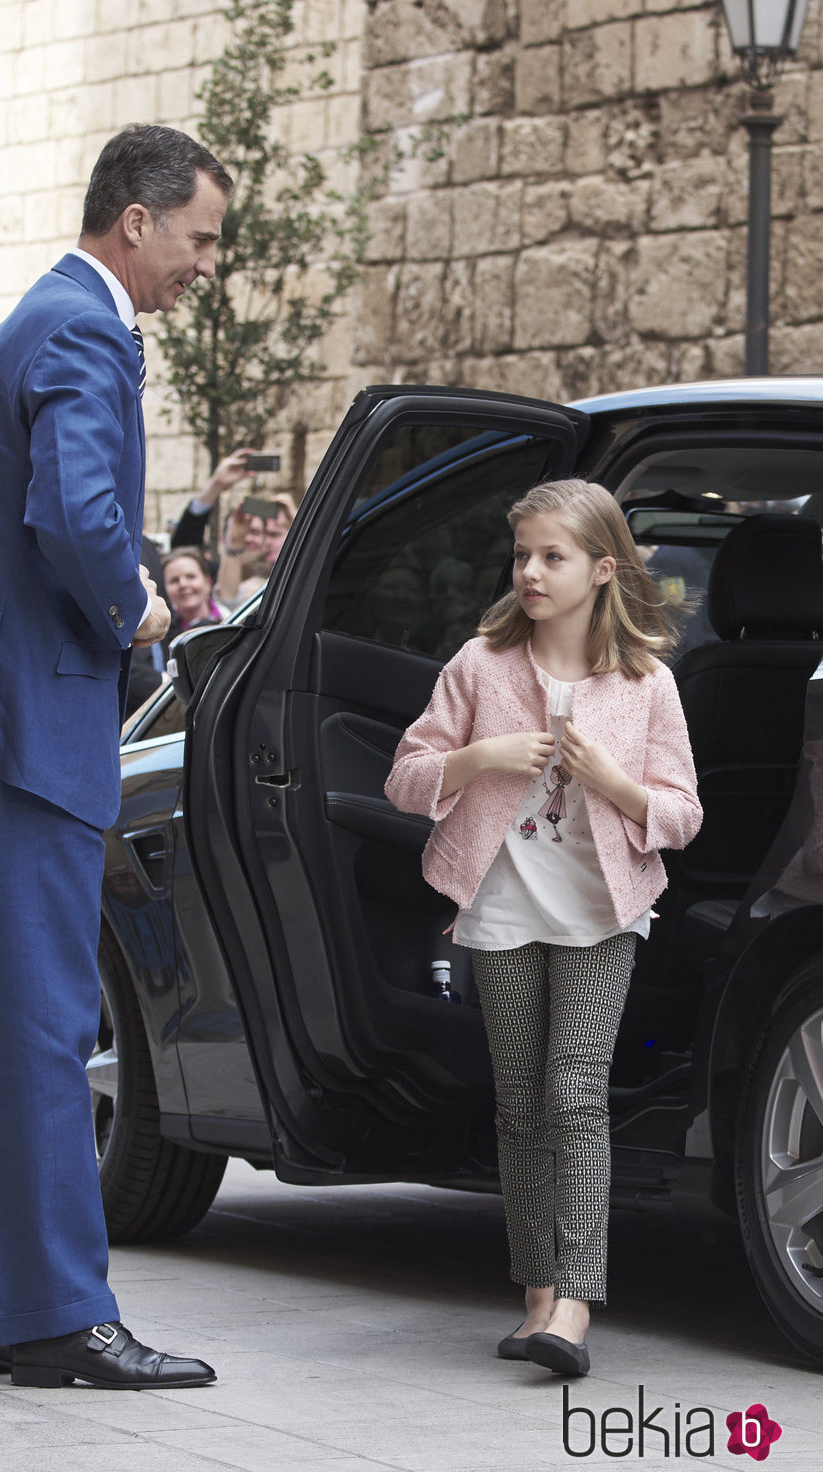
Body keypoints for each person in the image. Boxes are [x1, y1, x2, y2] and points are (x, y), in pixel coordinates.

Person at [0, 124, 233, 1390]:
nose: (205, 265)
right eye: (200, 237)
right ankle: (63, 1316)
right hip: (15, 717)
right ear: (133, 221)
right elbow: (78, 520)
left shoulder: (40, 317)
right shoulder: (83, 328)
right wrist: (136, 603)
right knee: (40, 1025)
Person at [385, 479, 701, 1378]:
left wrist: (613, 781)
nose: (530, 571)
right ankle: (534, 1296)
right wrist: (476, 757)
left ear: (603, 570)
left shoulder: (647, 684)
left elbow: (682, 814)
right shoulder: (480, 666)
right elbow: (406, 778)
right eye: (521, 555)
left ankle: (576, 1297)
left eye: (552, 557)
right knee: (520, 1105)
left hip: (605, 911)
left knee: (574, 1092)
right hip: (501, 909)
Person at [162, 547, 224, 637]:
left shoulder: (233, 617)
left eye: (190, 577)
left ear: (208, 582)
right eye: (174, 580)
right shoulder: (162, 636)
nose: (183, 584)